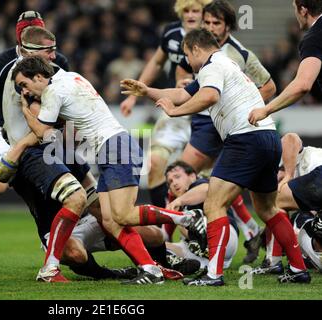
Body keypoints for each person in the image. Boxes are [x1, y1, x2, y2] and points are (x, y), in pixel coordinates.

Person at [120, 29, 310, 285]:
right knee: (267, 208)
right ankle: (299, 270)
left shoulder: (212, 66)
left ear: (197, 49)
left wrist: (175, 113)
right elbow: (182, 94)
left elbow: (209, 97)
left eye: (187, 54)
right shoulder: (224, 65)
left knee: (213, 205)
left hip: (244, 140)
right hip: (268, 138)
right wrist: (147, 90)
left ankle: (214, 275)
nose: (187, 61)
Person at [11, 55, 204, 285]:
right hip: (111, 148)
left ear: (40, 76)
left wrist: (24, 108)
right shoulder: (72, 77)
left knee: (123, 215)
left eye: (25, 84)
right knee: (111, 222)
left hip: (115, 147)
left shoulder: (53, 91)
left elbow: (44, 134)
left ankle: (186, 218)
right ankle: (150, 269)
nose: (26, 91)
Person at [0, 11, 69, 272]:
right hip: (6, 136)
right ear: (21, 38)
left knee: (48, 194)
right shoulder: (3, 62)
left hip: (41, 137)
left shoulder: (58, 61)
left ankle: (51, 243)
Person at [175, 0, 276, 263]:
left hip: (233, 128)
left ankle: (200, 256)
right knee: (213, 183)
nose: (210, 27)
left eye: (216, 23)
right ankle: (247, 228)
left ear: (228, 26)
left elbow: (268, 87)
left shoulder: (239, 54)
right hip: (209, 123)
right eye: (206, 22)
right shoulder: (197, 48)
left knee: (183, 177)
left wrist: (245, 110)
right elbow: (184, 83)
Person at [120, 0, 210, 212]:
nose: (190, 15)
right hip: (176, 108)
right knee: (154, 165)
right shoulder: (171, 33)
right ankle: (164, 224)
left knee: (208, 176)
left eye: (195, 10)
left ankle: (244, 226)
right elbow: (157, 62)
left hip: (207, 112)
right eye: (186, 10)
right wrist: (134, 95)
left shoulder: (212, 36)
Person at [252, 133, 322, 274]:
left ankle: (273, 262)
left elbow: (290, 138)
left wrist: (288, 174)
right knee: (309, 223)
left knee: (273, 204)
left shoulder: (300, 157)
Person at [249, 0, 322, 125]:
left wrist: (266, 109)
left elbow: (303, 84)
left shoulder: (314, 37)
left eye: (295, 9)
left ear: (303, 10)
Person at [164, 161, 238, 272]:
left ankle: (199, 246)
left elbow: (206, 189)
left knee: (189, 219)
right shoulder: (181, 205)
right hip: (197, 250)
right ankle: (183, 263)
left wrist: (179, 201)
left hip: (224, 237)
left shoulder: (199, 184)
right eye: (170, 181)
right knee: (157, 247)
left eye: (177, 177)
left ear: (192, 176)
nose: (174, 183)